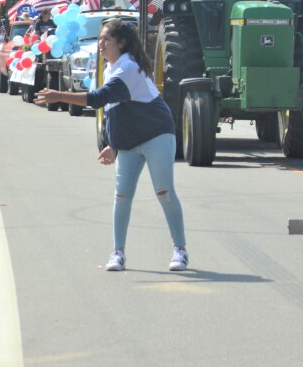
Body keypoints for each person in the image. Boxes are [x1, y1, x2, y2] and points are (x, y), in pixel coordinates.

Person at [35, 19, 188, 272]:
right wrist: (111, 144)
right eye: (100, 38)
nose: (101, 43)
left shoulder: (127, 68)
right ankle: (118, 253)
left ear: (122, 43)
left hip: (156, 134)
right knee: (122, 195)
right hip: (129, 141)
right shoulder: (110, 68)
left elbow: (99, 98)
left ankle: (180, 250)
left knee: (164, 192)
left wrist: (58, 95)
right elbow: (111, 110)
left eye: (106, 39)